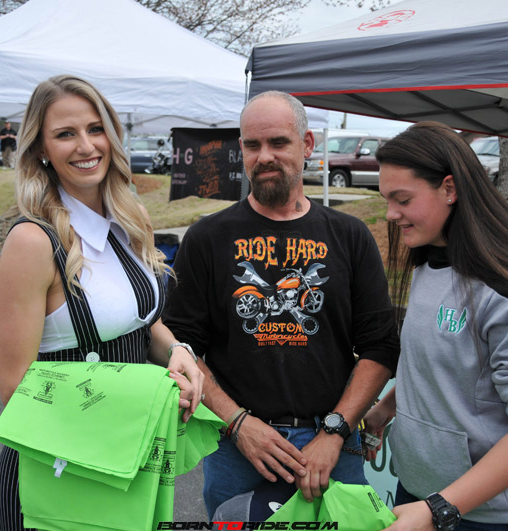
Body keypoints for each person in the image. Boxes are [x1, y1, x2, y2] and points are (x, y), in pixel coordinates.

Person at [162, 90, 400, 518]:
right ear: (241, 149)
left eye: (278, 142)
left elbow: (380, 347)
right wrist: (238, 424)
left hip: (332, 444)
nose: (264, 156)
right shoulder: (207, 238)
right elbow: (180, 347)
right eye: (253, 145)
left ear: (306, 145)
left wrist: (334, 431)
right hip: (238, 449)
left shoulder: (350, 236)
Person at [0, 74, 205, 531]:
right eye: (65, 134)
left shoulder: (131, 219)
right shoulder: (32, 241)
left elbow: (138, 321)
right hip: (59, 468)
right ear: (41, 149)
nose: (86, 146)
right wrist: (142, 395)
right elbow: (13, 391)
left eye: (95, 129)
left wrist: (178, 351)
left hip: (129, 458)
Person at [363, 122, 508, 531]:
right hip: (422, 496)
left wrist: (438, 509)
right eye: (386, 199)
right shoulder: (428, 263)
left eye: (402, 199)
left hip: (492, 517)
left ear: (450, 188)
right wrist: (385, 409)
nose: (390, 214)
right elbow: (440, 368)